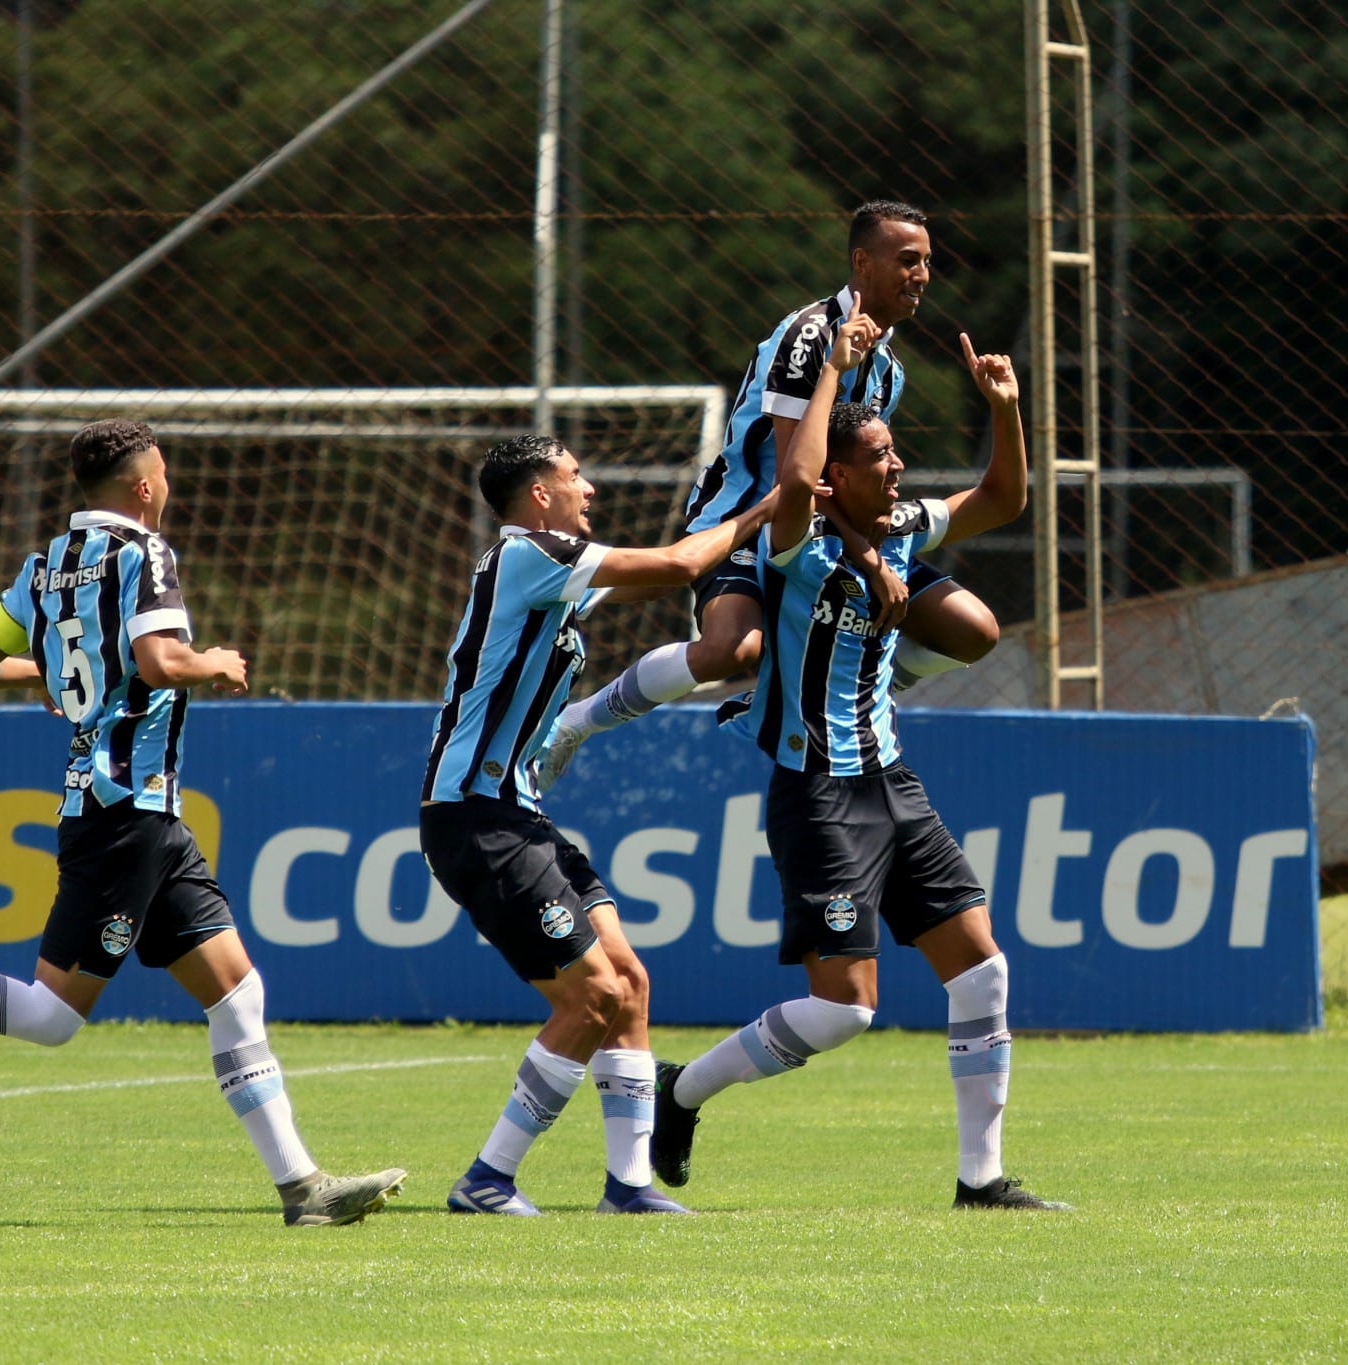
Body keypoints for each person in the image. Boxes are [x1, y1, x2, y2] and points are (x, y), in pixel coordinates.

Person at [0, 418, 406, 1229]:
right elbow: (161, 663)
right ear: (143, 486)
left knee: (238, 993)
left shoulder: (46, 564)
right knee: (52, 1016)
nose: (166, 486)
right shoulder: (145, 552)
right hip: (120, 810)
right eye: (163, 473)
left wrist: (64, 669)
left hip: (145, 817)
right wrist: (216, 660)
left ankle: (303, 1190)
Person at [648, 298, 1070, 1211]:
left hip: (891, 781)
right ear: (836, 477)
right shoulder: (795, 552)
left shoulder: (905, 530)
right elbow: (796, 480)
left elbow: (1001, 499)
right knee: (845, 1009)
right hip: (819, 795)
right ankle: (678, 1093)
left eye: (892, 451)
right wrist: (834, 367)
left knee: (983, 967)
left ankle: (980, 1179)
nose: (897, 463)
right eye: (877, 455)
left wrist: (1003, 406)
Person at [421, 433, 778, 1216]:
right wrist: (762, 511)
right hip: (477, 820)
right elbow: (682, 566)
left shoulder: (550, 575)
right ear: (538, 494)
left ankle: (628, 1185)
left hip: (519, 814)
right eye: (575, 476)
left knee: (631, 986)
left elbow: (671, 648)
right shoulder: (527, 555)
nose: (590, 489)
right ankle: (487, 1178)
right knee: (589, 997)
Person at [535, 200, 1001, 790]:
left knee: (973, 630)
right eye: (907, 260)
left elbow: (850, 478)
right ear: (862, 261)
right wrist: (870, 561)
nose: (922, 275)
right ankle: (573, 722)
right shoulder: (809, 336)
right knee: (735, 650)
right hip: (750, 517)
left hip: (827, 530)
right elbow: (794, 477)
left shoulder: (889, 370)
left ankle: (842, 686)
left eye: (928, 262)